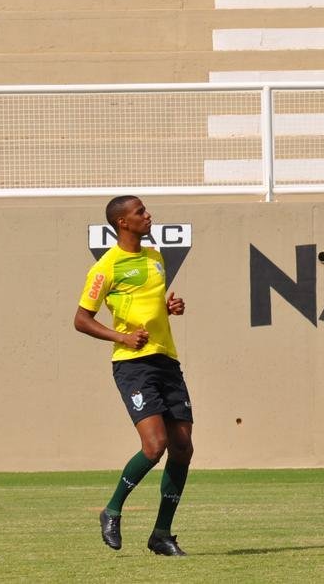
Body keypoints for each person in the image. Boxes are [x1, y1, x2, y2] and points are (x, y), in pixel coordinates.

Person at [74, 196, 193, 557]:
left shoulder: (155, 257)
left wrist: (169, 309)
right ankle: (112, 510)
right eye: (140, 212)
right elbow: (81, 319)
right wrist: (121, 337)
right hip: (133, 365)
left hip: (166, 360)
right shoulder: (105, 268)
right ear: (123, 223)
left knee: (183, 448)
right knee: (155, 446)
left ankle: (162, 534)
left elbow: (148, 306)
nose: (148, 215)